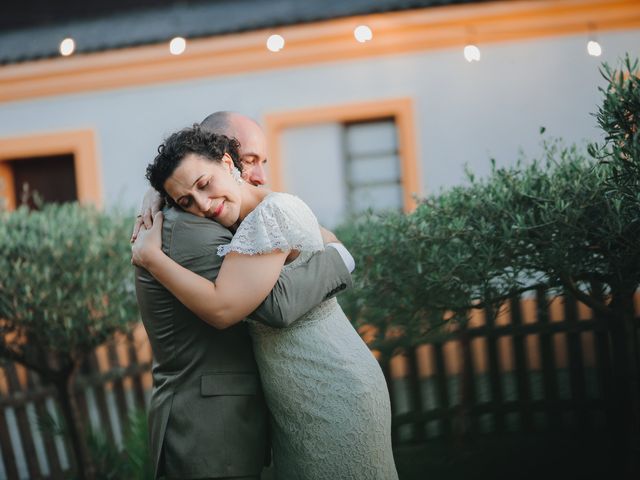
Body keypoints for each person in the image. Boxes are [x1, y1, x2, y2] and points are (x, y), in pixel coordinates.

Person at [132, 124, 398, 479]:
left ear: (228, 163)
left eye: (203, 185)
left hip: (329, 384)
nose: (203, 205)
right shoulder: (244, 219)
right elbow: (189, 165)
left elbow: (224, 308)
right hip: (296, 399)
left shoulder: (269, 216)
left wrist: (152, 258)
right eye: (186, 203)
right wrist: (155, 193)